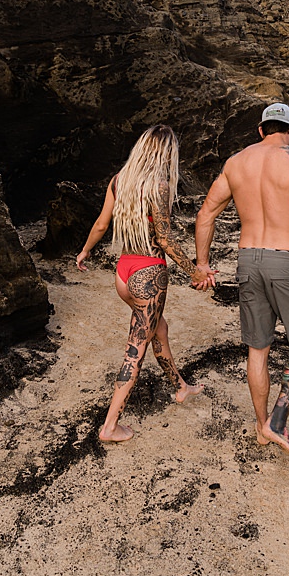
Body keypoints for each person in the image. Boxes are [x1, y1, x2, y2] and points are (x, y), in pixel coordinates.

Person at [192, 103, 289, 457]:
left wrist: (202, 263)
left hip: (247, 261)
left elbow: (205, 215)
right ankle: (277, 419)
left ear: (260, 130)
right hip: (285, 262)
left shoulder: (235, 163)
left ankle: (261, 427)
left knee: (258, 349)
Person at [76, 124, 206, 442]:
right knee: (135, 349)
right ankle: (109, 426)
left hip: (124, 270)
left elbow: (102, 223)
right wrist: (195, 270)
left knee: (157, 328)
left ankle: (181, 388)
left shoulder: (120, 181)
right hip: (148, 273)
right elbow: (163, 238)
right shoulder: (159, 186)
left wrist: (85, 250)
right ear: (165, 153)